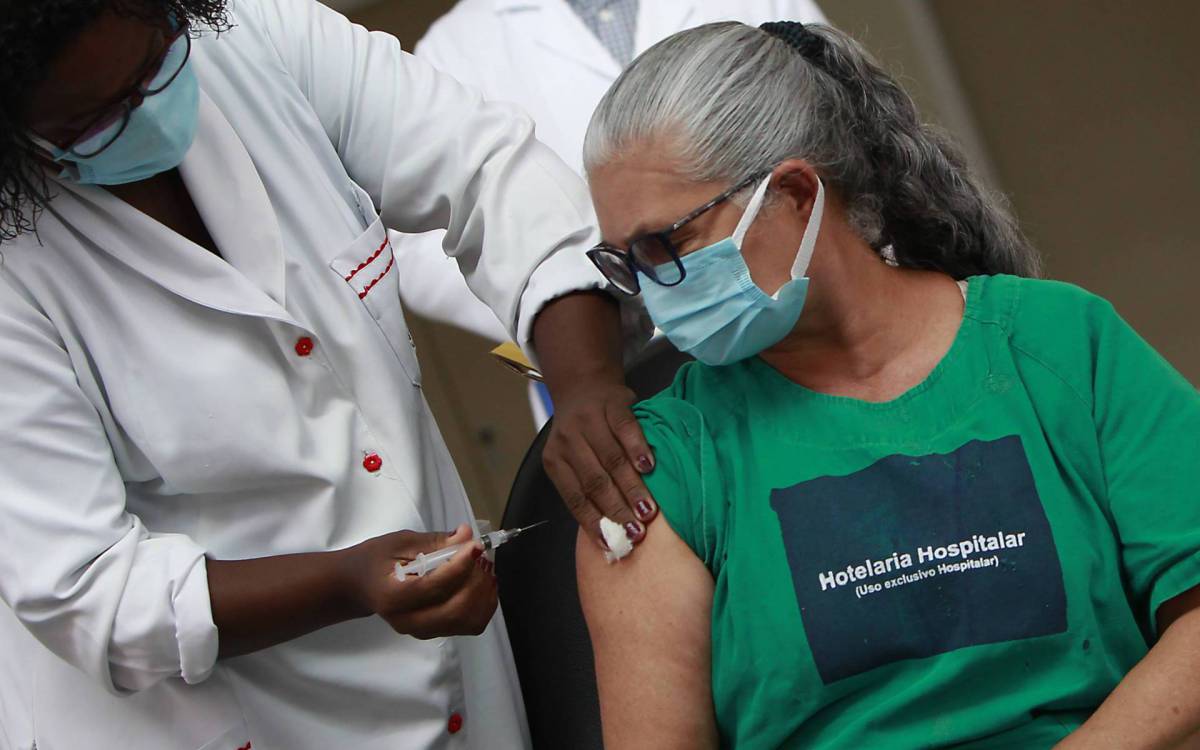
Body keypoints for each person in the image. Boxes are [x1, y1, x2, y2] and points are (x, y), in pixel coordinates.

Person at [0, 0, 659, 747]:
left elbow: (487, 168)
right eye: (95, 122)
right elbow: (90, 591)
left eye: (158, 60)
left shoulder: (256, 39)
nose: (148, 110)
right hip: (237, 716)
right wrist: (347, 582)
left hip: (461, 685)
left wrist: (584, 384)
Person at [575, 20, 1200, 749]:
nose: (652, 290)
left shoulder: (1060, 346)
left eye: (668, 245)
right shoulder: (663, 467)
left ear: (797, 196)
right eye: (627, 261)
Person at [394, 0, 827, 427]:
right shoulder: (457, 46)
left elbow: (836, 117)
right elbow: (419, 249)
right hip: (618, 365)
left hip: (788, 305)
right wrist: (585, 299)